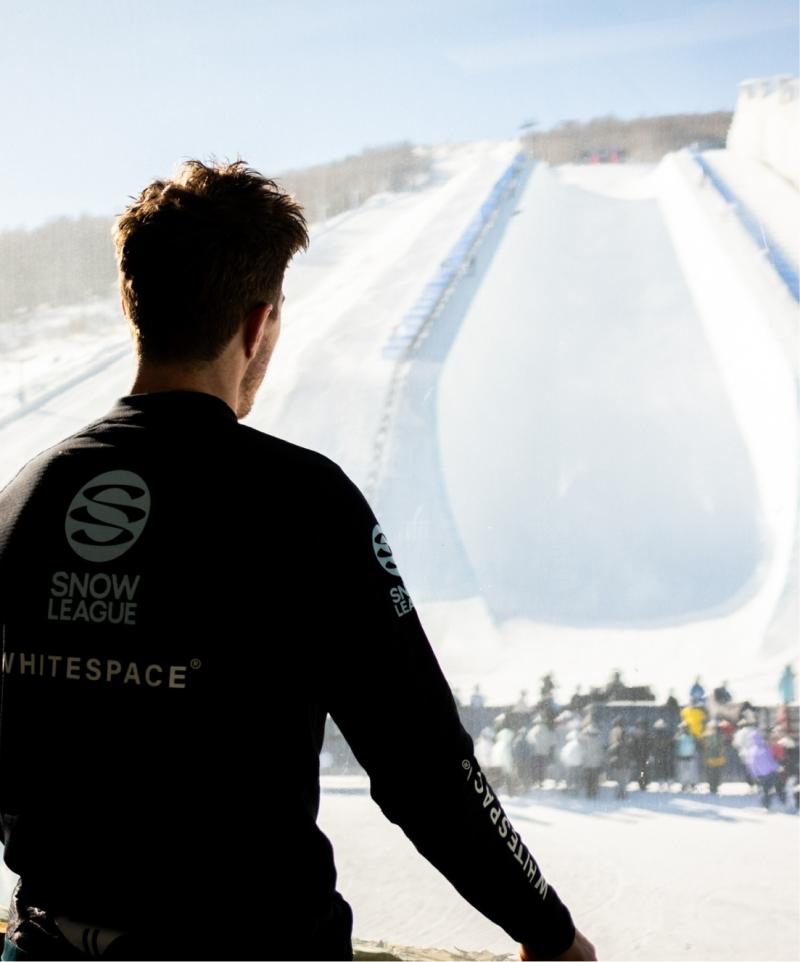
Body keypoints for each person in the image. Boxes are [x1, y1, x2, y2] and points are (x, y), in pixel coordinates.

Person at [0, 160, 595, 962]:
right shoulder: (302, 503)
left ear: (133, 305)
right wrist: (545, 928)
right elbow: (423, 764)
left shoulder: (24, 496)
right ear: (258, 325)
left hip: (46, 943)